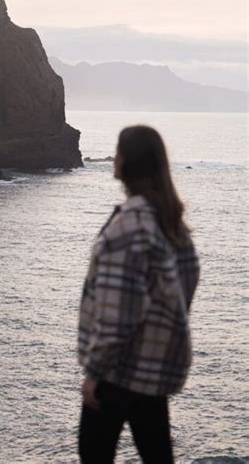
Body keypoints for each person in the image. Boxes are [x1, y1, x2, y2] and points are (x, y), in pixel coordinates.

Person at [78, 125, 199, 463]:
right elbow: (185, 288)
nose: (113, 157)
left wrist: (95, 374)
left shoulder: (128, 228)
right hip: (152, 372)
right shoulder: (173, 226)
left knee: (94, 456)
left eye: (118, 151)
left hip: (118, 374)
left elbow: (118, 317)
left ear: (129, 162)